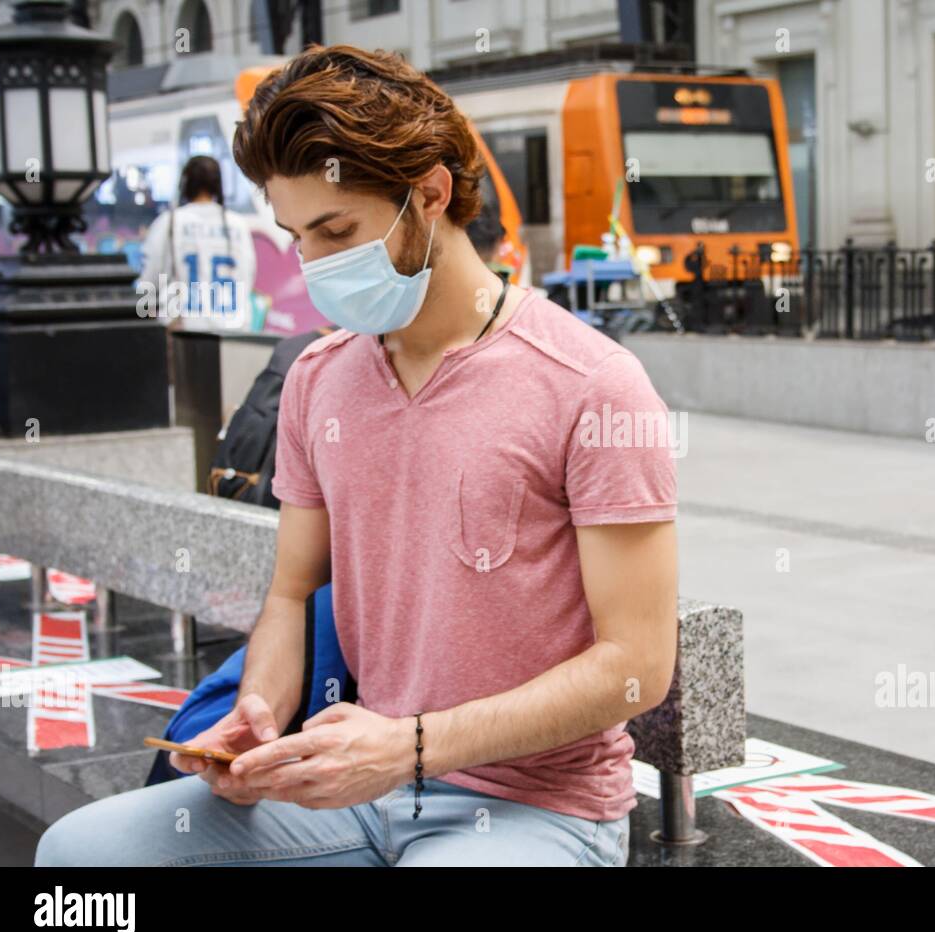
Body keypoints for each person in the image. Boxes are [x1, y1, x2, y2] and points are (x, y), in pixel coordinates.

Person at [35, 44, 679, 867]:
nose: (314, 267)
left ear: (433, 194)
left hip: (536, 810)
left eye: (337, 230)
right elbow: (292, 594)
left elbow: (638, 666)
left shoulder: (593, 385)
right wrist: (258, 718)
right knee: (79, 861)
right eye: (297, 236)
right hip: (351, 789)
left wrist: (408, 747)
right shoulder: (317, 379)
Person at [137, 155, 258, 332]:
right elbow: (248, 277)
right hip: (233, 332)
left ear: (184, 185)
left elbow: (148, 281)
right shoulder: (238, 225)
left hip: (184, 333)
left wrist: (146, 327)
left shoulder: (169, 222)